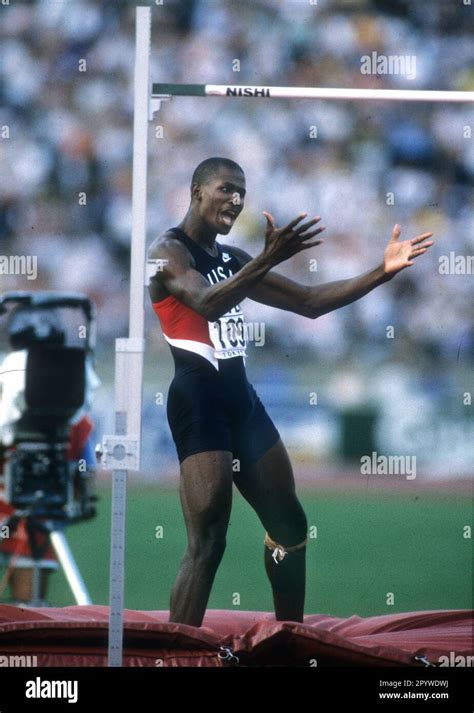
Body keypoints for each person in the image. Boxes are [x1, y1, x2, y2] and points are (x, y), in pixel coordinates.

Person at [147, 157, 433, 627]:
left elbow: (310, 302)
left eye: (241, 192)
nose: (236, 200)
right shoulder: (165, 253)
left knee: (290, 525)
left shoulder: (231, 259)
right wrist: (266, 259)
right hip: (199, 402)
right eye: (225, 189)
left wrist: (380, 272)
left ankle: (290, 638)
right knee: (209, 539)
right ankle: (176, 655)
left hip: (241, 402)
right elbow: (208, 303)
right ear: (197, 191)